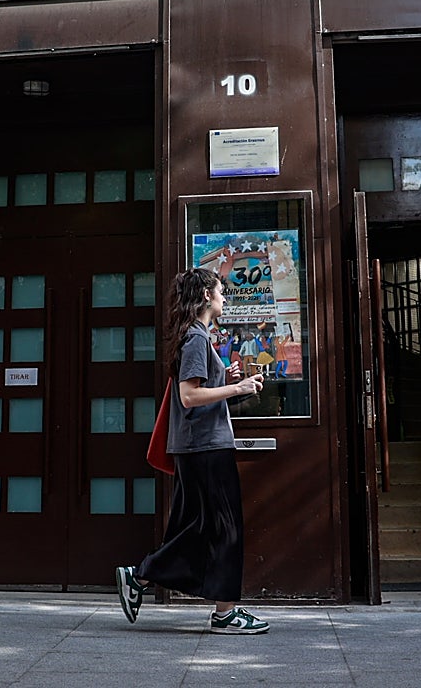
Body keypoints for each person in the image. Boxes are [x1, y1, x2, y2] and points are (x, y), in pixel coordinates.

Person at [116, 268, 269, 634]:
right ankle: (223, 612)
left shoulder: (195, 336)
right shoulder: (197, 338)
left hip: (197, 446)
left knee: (199, 527)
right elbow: (189, 396)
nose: (224, 297)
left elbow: (198, 392)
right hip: (206, 447)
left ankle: (140, 577)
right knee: (226, 528)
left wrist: (226, 381)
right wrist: (238, 388)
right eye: (220, 291)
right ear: (205, 296)